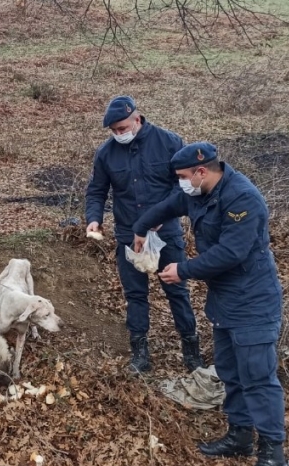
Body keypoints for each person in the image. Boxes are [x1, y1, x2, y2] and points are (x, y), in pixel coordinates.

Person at [132, 142, 286, 466]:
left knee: (258, 377)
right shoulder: (198, 191)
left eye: (184, 177)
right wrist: (141, 228)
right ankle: (240, 435)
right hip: (225, 301)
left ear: (202, 172)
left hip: (253, 301)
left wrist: (183, 270)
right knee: (231, 371)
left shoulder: (242, 199)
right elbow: (168, 205)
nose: (181, 183)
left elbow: (231, 252)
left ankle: (273, 453)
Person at [85, 95, 204, 373]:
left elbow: (184, 185)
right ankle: (139, 353)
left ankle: (191, 351)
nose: (118, 134)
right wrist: (93, 218)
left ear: (137, 119)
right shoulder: (106, 153)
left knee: (177, 291)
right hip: (128, 234)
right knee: (135, 294)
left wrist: (162, 215)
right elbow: (97, 190)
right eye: (113, 131)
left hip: (166, 235)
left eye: (122, 128)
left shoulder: (169, 143)